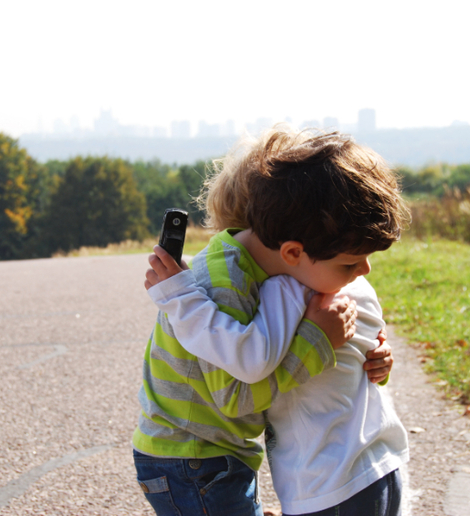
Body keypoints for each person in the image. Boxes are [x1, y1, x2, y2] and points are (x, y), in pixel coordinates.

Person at [133, 126, 409, 516]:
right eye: (350, 263)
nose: (364, 271)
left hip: (213, 453)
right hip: (191, 457)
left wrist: (371, 353)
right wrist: (316, 341)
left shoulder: (269, 270)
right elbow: (235, 396)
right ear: (292, 249)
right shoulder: (227, 283)